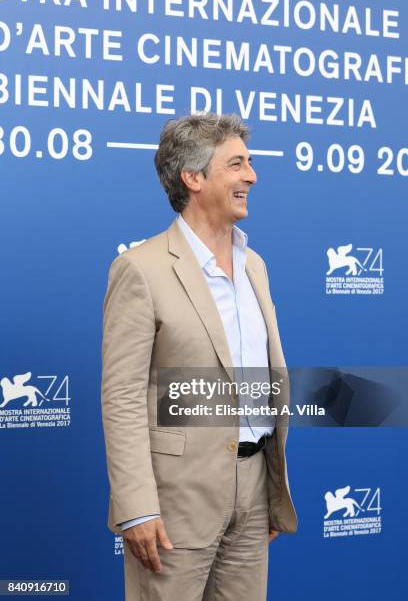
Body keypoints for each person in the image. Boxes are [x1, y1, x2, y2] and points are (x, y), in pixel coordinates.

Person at [101, 112, 297, 601]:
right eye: (236, 164)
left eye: (249, 163)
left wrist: (266, 493)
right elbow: (122, 396)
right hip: (174, 503)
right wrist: (137, 508)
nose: (251, 176)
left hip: (253, 493)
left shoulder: (256, 265)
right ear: (193, 178)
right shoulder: (140, 270)